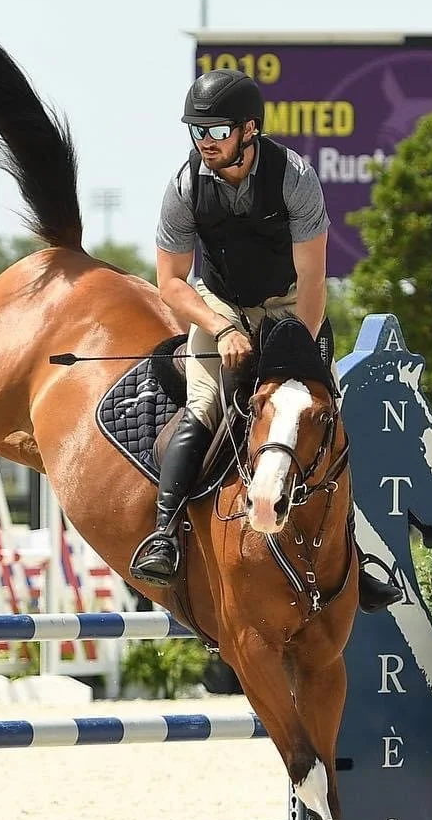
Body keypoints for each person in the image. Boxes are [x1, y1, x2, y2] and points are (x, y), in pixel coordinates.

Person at [128, 68, 403, 614]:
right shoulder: (183, 188)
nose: (205, 142)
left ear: (249, 130)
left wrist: (294, 351)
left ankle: (355, 555)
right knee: (204, 406)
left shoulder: (294, 178)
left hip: (290, 302)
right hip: (221, 302)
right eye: (197, 131)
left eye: (217, 129)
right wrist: (223, 327)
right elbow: (171, 283)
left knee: (321, 420)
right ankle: (163, 535)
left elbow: (314, 279)